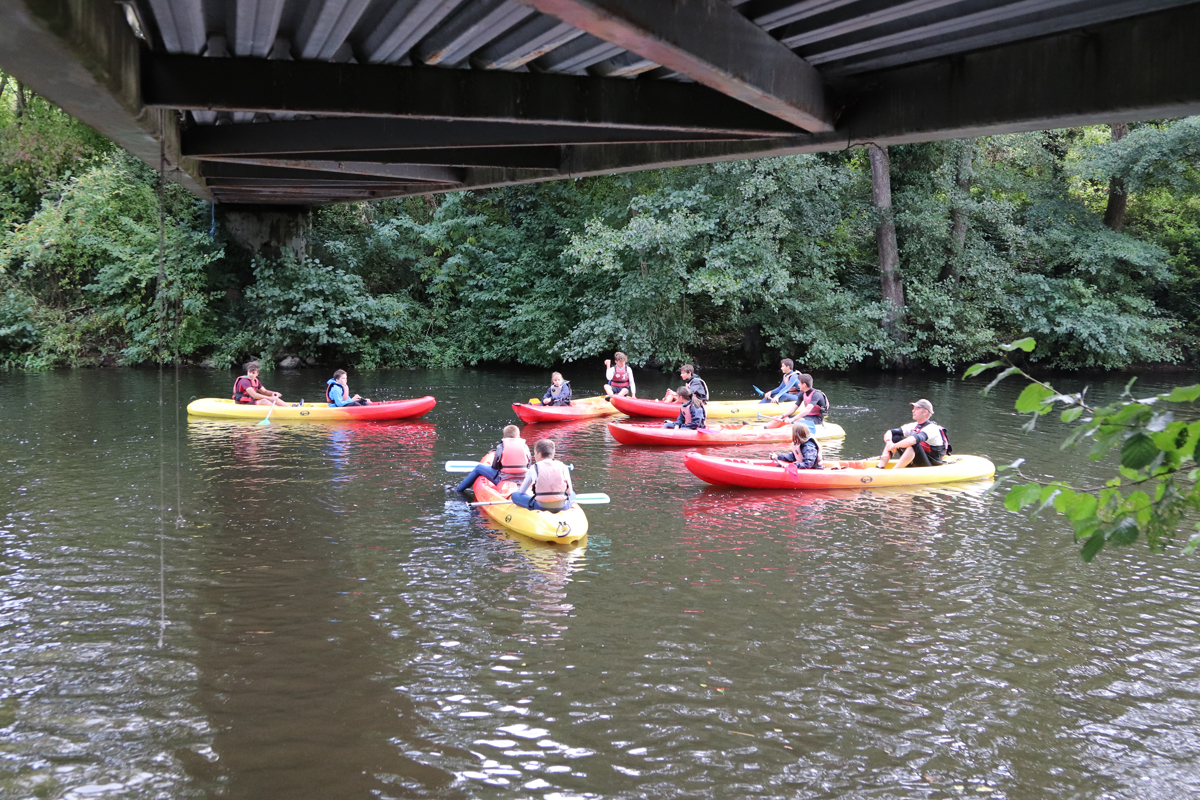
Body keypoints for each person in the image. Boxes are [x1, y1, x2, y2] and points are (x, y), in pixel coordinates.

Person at [876, 399, 952, 469]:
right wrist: (889, 442)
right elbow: (890, 432)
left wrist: (894, 446)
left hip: (930, 466)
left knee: (913, 443)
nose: (913, 411)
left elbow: (912, 441)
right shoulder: (913, 425)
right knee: (895, 437)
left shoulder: (932, 428)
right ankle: (880, 466)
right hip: (916, 459)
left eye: (917, 409)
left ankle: (894, 471)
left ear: (925, 412)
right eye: (913, 409)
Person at [454, 425, 532, 492]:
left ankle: (458, 489)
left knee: (478, 468)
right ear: (519, 437)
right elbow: (529, 465)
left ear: (504, 437)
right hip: (524, 479)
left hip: (503, 479)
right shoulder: (525, 447)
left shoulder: (501, 447)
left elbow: (495, 466)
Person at [510, 439, 576, 512]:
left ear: (540, 454)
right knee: (573, 494)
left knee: (515, 495)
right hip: (562, 506)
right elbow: (569, 492)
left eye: (535, 453)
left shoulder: (533, 468)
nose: (534, 455)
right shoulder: (564, 467)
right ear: (553, 454)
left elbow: (522, 491)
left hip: (540, 506)